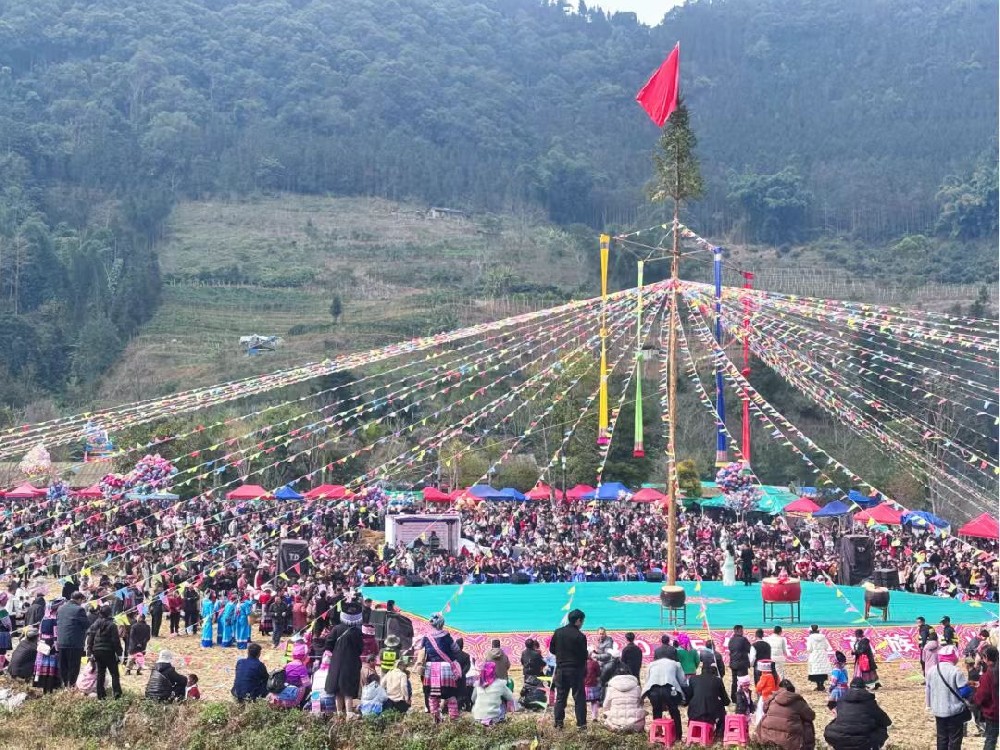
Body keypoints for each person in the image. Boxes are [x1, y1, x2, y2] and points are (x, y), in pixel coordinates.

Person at [823, 678, 892, 750]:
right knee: (882, 728)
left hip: (839, 738)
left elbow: (839, 717)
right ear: (864, 688)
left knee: (835, 723)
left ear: (850, 687)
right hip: (864, 741)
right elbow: (886, 721)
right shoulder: (869, 701)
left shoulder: (841, 700)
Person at [927, 645, 973, 750]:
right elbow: (964, 691)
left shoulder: (931, 670)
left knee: (941, 738)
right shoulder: (955, 671)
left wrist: (929, 705)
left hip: (938, 710)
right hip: (954, 711)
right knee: (955, 739)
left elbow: (928, 689)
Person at [325, 599, 365, 719]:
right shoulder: (357, 632)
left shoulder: (336, 629)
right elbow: (360, 649)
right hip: (351, 662)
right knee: (348, 690)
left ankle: (339, 713)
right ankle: (349, 713)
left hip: (336, 662)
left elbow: (328, 644)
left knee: (337, 690)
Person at [550, 608, 588, 730]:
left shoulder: (558, 632)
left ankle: (558, 723)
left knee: (560, 697)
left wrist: (561, 655)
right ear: (578, 621)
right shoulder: (580, 636)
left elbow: (552, 649)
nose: (582, 624)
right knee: (579, 698)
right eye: (582, 621)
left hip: (561, 669)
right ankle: (581, 724)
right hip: (576, 670)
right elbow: (584, 655)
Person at [755, 679, 816, 750]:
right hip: (790, 741)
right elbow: (811, 716)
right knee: (807, 723)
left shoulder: (771, 698)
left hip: (768, 736)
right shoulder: (798, 701)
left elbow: (764, 709)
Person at [642, 645, 687, 738]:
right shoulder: (676, 664)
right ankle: (677, 736)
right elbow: (682, 681)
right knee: (674, 711)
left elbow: (647, 680)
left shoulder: (651, 664)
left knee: (656, 711)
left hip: (654, 690)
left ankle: (657, 734)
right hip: (670, 690)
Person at [85, 604, 123, 700]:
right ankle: (117, 693)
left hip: (97, 651)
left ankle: (101, 695)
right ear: (110, 613)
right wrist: (119, 653)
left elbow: (90, 638)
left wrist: (89, 651)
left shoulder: (95, 624)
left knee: (100, 673)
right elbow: (115, 641)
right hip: (108, 651)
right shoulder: (112, 625)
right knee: (114, 673)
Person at [601, 659, 646, 732]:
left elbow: (605, 706)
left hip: (615, 724)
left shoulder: (611, 688)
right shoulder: (637, 688)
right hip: (635, 725)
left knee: (606, 715)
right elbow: (641, 703)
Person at [687, 663, 730, 740]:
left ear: (701, 671)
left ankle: (693, 732)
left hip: (694, 713)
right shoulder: (717, 680)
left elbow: (688, 697)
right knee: (722, 711)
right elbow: (726, 701)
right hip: (710, 715)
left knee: (694, 703)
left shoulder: (693, 679)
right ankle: (719, 735)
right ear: (714, 672)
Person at [56, 591, 89, 689]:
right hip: (74, 642)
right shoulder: (79, 610)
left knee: (64, 665)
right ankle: (72, 686)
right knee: (74, 666)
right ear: (79, 599)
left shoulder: (60, 608)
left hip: (61, 641)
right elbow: (86, 624)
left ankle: (64, 685)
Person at [269, 641, 312, 709]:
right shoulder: (301, 667)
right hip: (295, 690)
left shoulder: (288, 665)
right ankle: (301, 706)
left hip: (286, 687)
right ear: (304, 657)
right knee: (306, 688)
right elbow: (306, 683)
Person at [472, 661, 516, 726]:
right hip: (494, 717)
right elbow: (510, 697)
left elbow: (473, 699)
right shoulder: (500, 683)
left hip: (478, 717)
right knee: (502, 702)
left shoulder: (478, 684)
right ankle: (499, 719)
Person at [34, 598, 62, 694]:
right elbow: (56, 635)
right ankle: (50, 688)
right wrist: (57, 648)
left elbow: (40, 632)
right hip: (51, 644)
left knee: (42, 665)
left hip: (43, 644)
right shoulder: (54, 620)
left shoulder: (44, 618)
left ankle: (43, 687)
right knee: (51, 666)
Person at [973, 646, 999, 750]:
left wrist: (974, 702)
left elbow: (982, 695)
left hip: (994, 713)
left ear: (986, 658)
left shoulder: (988, 675)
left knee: (990, 740)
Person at [728, 625, 752, 702]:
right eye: (742, 630)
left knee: (734, 682)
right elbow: (750, 650)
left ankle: (734, 698)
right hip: (742, 664)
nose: (742, 632)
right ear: (738, 630)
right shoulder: (743, 639)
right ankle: (742, 698)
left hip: (733, 663)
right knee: (743, 682)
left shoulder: (731, 640)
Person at [806, 625, 834, 691]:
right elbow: (826, 646)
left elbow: (809, 648)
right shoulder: (823, 637)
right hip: (823, 654)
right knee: (822, 670)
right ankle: (822, 685)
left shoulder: (810, 638)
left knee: (816, 670)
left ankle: (818, 685)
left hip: (814, 654)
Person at [584, 651, 602, 721]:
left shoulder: (580, 663)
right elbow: (599, 674)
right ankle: (594, 716)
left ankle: (583, 716)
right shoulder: (594, 663)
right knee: (594, 701)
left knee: (582, 702)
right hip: (593, 684)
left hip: (583, 685)